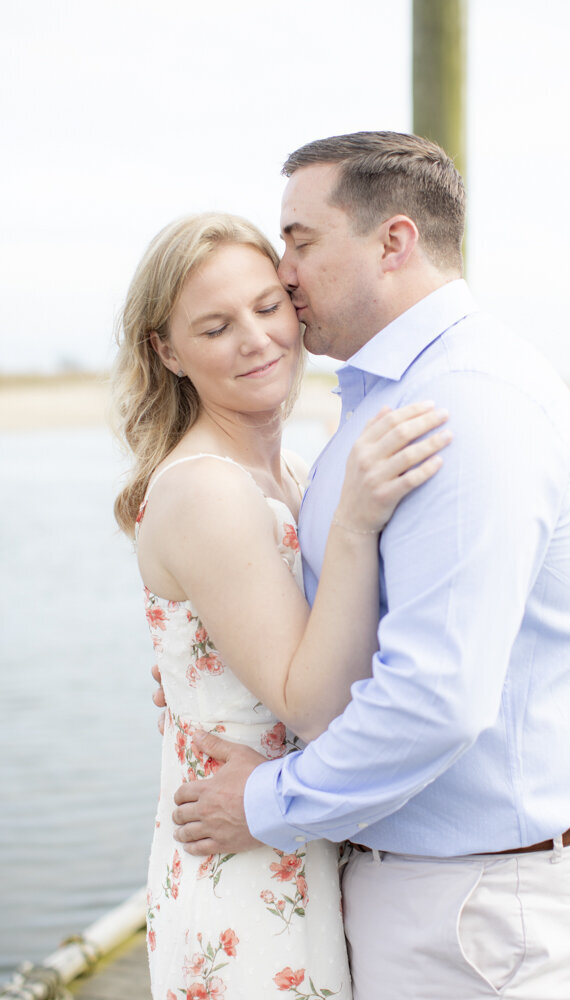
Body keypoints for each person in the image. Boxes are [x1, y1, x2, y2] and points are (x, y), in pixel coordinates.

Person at [169, 133, 570, 1000]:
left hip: (481, 906)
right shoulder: (395, 391)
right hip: (447, 892)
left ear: (392, 242)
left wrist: (263, 805)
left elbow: (434, 697)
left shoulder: (462, 405)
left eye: (301, 239)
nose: (284, 270)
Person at [111, 210, 449, 1000]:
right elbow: (311, 700)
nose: (257, 339)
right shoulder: (205, 491)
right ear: (167, 351)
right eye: (216, 326)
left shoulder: (290, 472)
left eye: (268, 307)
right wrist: (358, 522)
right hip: (241, 868)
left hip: (290, 837)